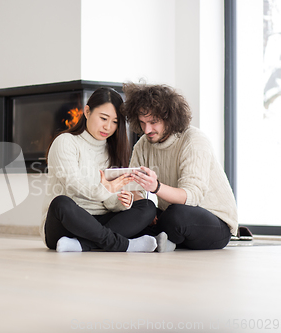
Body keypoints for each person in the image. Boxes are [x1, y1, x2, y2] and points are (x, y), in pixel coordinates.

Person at [122, 82, 238, 251]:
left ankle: (159, 238)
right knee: (135, 213)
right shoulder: (143, 144)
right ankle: (164, 239)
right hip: (170, 213)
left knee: (176, 216)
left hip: (213, 221)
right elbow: (134, 189)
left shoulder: (194, 140)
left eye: (153, 122)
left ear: (169, 118)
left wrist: (156, 187)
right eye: (142, 123)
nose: (147, 130)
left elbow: (191, 197)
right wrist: (145, 209)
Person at [40, 87, 158, 252]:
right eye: (103, 118)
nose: (108, 127)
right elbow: (74, 185)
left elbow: (108, 201)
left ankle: (82, 245)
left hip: (100, 222)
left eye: (115, 122)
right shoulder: (65, 142)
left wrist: (122, 202)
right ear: (87, 112)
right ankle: (125, 245)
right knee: (61, 203)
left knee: (147, 207)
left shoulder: (113, 151)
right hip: (67, 224)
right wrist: (105, 189)